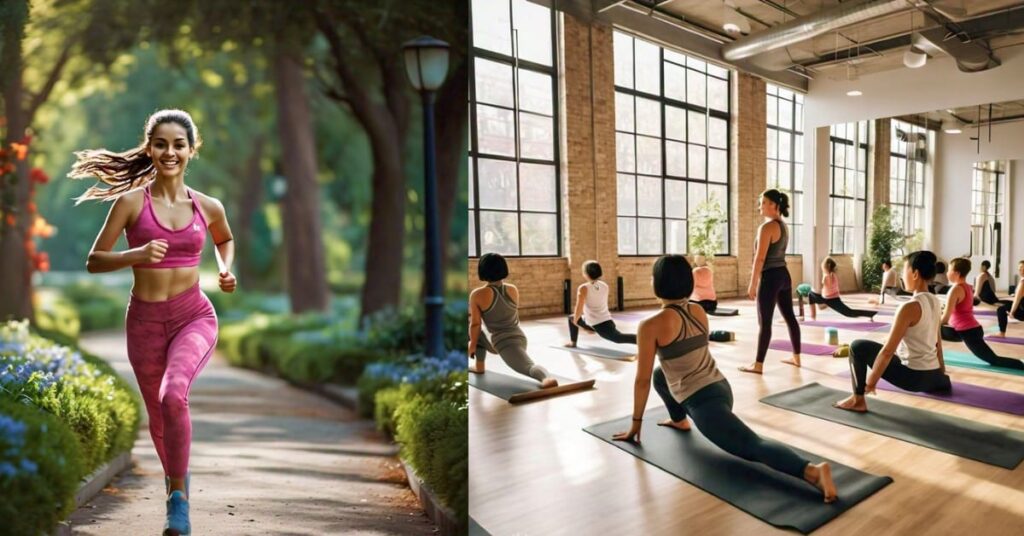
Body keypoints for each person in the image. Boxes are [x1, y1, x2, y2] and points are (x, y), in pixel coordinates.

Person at [73, 110, 236, 536]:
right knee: (158, 416)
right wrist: (136, 254)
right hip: (144, 322)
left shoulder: (207, 205)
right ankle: (175, 482)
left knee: (173, 394)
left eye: (178, 144)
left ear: (191, 150)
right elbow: (94, 260)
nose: (170, 152)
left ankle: (178, 502)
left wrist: (225, 268)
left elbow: (224, 238)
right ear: (149, 148)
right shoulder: (131, 203)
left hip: (193, 316)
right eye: (161, 144)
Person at [611, 255, 837, 503]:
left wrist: (636, 424)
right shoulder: (697, 309)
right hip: (720, 387)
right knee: (660, 375)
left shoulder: (650, 325)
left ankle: (812, 471)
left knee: (754, 445)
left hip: (705, 405)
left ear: (658, 283)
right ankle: (680, 420)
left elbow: (640, 380)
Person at [834, 251, 952, 413]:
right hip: (933, 377)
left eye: (905, 271)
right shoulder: (935, 301)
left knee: (857, 346)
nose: (902, 276)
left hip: (914, 379)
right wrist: (940, 374)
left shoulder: (909, 307)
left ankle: (858, 399)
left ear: (915, 274)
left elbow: (888, 351)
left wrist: (871, 382)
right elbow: (938, 342)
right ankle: (937, 379)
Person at [469, 253, 557, 388]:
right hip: (517, 337)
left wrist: (471, 345)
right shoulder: (512, 289)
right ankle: (479, 366)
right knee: (479, 336)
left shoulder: (477, 294)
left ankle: (547, 378)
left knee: (529, 367)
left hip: (506, 343)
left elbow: (475, 324)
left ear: (482, 270)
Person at [741, 189, 801, 373]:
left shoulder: (766, 228)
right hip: (784, 275)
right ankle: (796, 357)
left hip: (770, 278)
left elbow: (760, 259)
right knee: (790, 317)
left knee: (764, 322)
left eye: (763, 202)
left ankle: (758, 365)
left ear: (774, 205)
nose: (760, 206)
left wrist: (752, 284)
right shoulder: (783, 226)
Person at [940, 258, 1023, 370]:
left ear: (957, 273)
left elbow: (945, 318)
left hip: (967, 332)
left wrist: (934, 324)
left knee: (994, 360)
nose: (947, 273)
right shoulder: (968, 287)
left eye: (949, 270)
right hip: (970, 330)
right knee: (931, 331)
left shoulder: (955, 290)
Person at [565, 260, 636, 348]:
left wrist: (577, 323)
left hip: (599, 324)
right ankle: (573, 342)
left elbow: (579, 307)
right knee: (571, 317)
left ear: (586, 274)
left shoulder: (583, 288)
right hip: (605, 321)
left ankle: (642, 339)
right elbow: (595, 290)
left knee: (618, 338)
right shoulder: (604, 285)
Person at [806, 257, 877, 320]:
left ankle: (871, 314)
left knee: (849, 313)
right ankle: (813, 317)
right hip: (829, 298)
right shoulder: (833, 275)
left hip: (831, 299)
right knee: (811, 295)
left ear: (826, 267)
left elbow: (821, 288)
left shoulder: (827, 276)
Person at [995, 260, 1024, 337]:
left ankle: (1002, 333)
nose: (1020, 270)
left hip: (1022, 311)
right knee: (1002, 304)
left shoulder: (1023, 282)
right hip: (1021, 307)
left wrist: (1012, 312)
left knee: (1001, 309)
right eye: (1019, 268)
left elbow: (1017, 299)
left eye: (1022, 268)